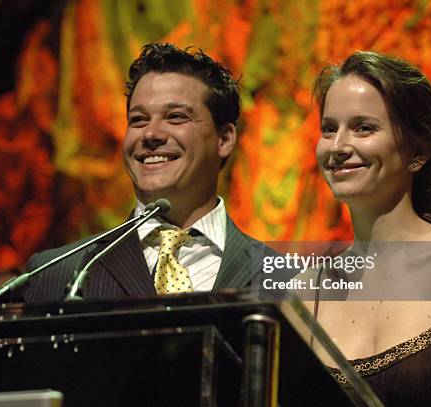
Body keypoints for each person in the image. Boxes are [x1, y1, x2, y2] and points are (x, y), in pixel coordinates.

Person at [307, 51, 431, 406]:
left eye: (363, 127)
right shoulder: (303, 293)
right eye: (329, 129)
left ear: (417, 152)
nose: (337, 147)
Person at [21, 43, 266, 302]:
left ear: (224, 139)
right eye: (138, 120)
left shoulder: (287, 279)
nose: (150, 134)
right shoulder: (56, 274)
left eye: (175, 117)